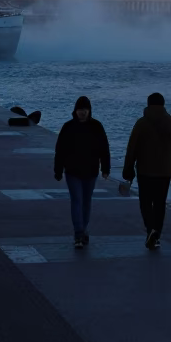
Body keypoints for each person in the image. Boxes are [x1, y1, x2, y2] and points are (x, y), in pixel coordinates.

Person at [122, 92, 171, 250]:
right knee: (160, 204)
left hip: (145, 170)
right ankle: (156, 235)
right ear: (163, 105)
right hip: (164, 172)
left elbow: (132, 148)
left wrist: (128, 169)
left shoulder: (141, 123)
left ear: (148, 104)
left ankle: (151, 230)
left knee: (145, 203)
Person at [53, 96, 111, 249]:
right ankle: (78, 232)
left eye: (85, 110)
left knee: (86, 201)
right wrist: (58, 170)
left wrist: (106, 168)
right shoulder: (68, 127)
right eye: (80, 110)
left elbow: (104, 149)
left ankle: (83, 229)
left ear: (89, 110)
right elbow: (60, 150)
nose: (82, 112)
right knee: (77, 200)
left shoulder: (97, 127)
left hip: (91, 171)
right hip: (72, 171)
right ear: (75, 111)